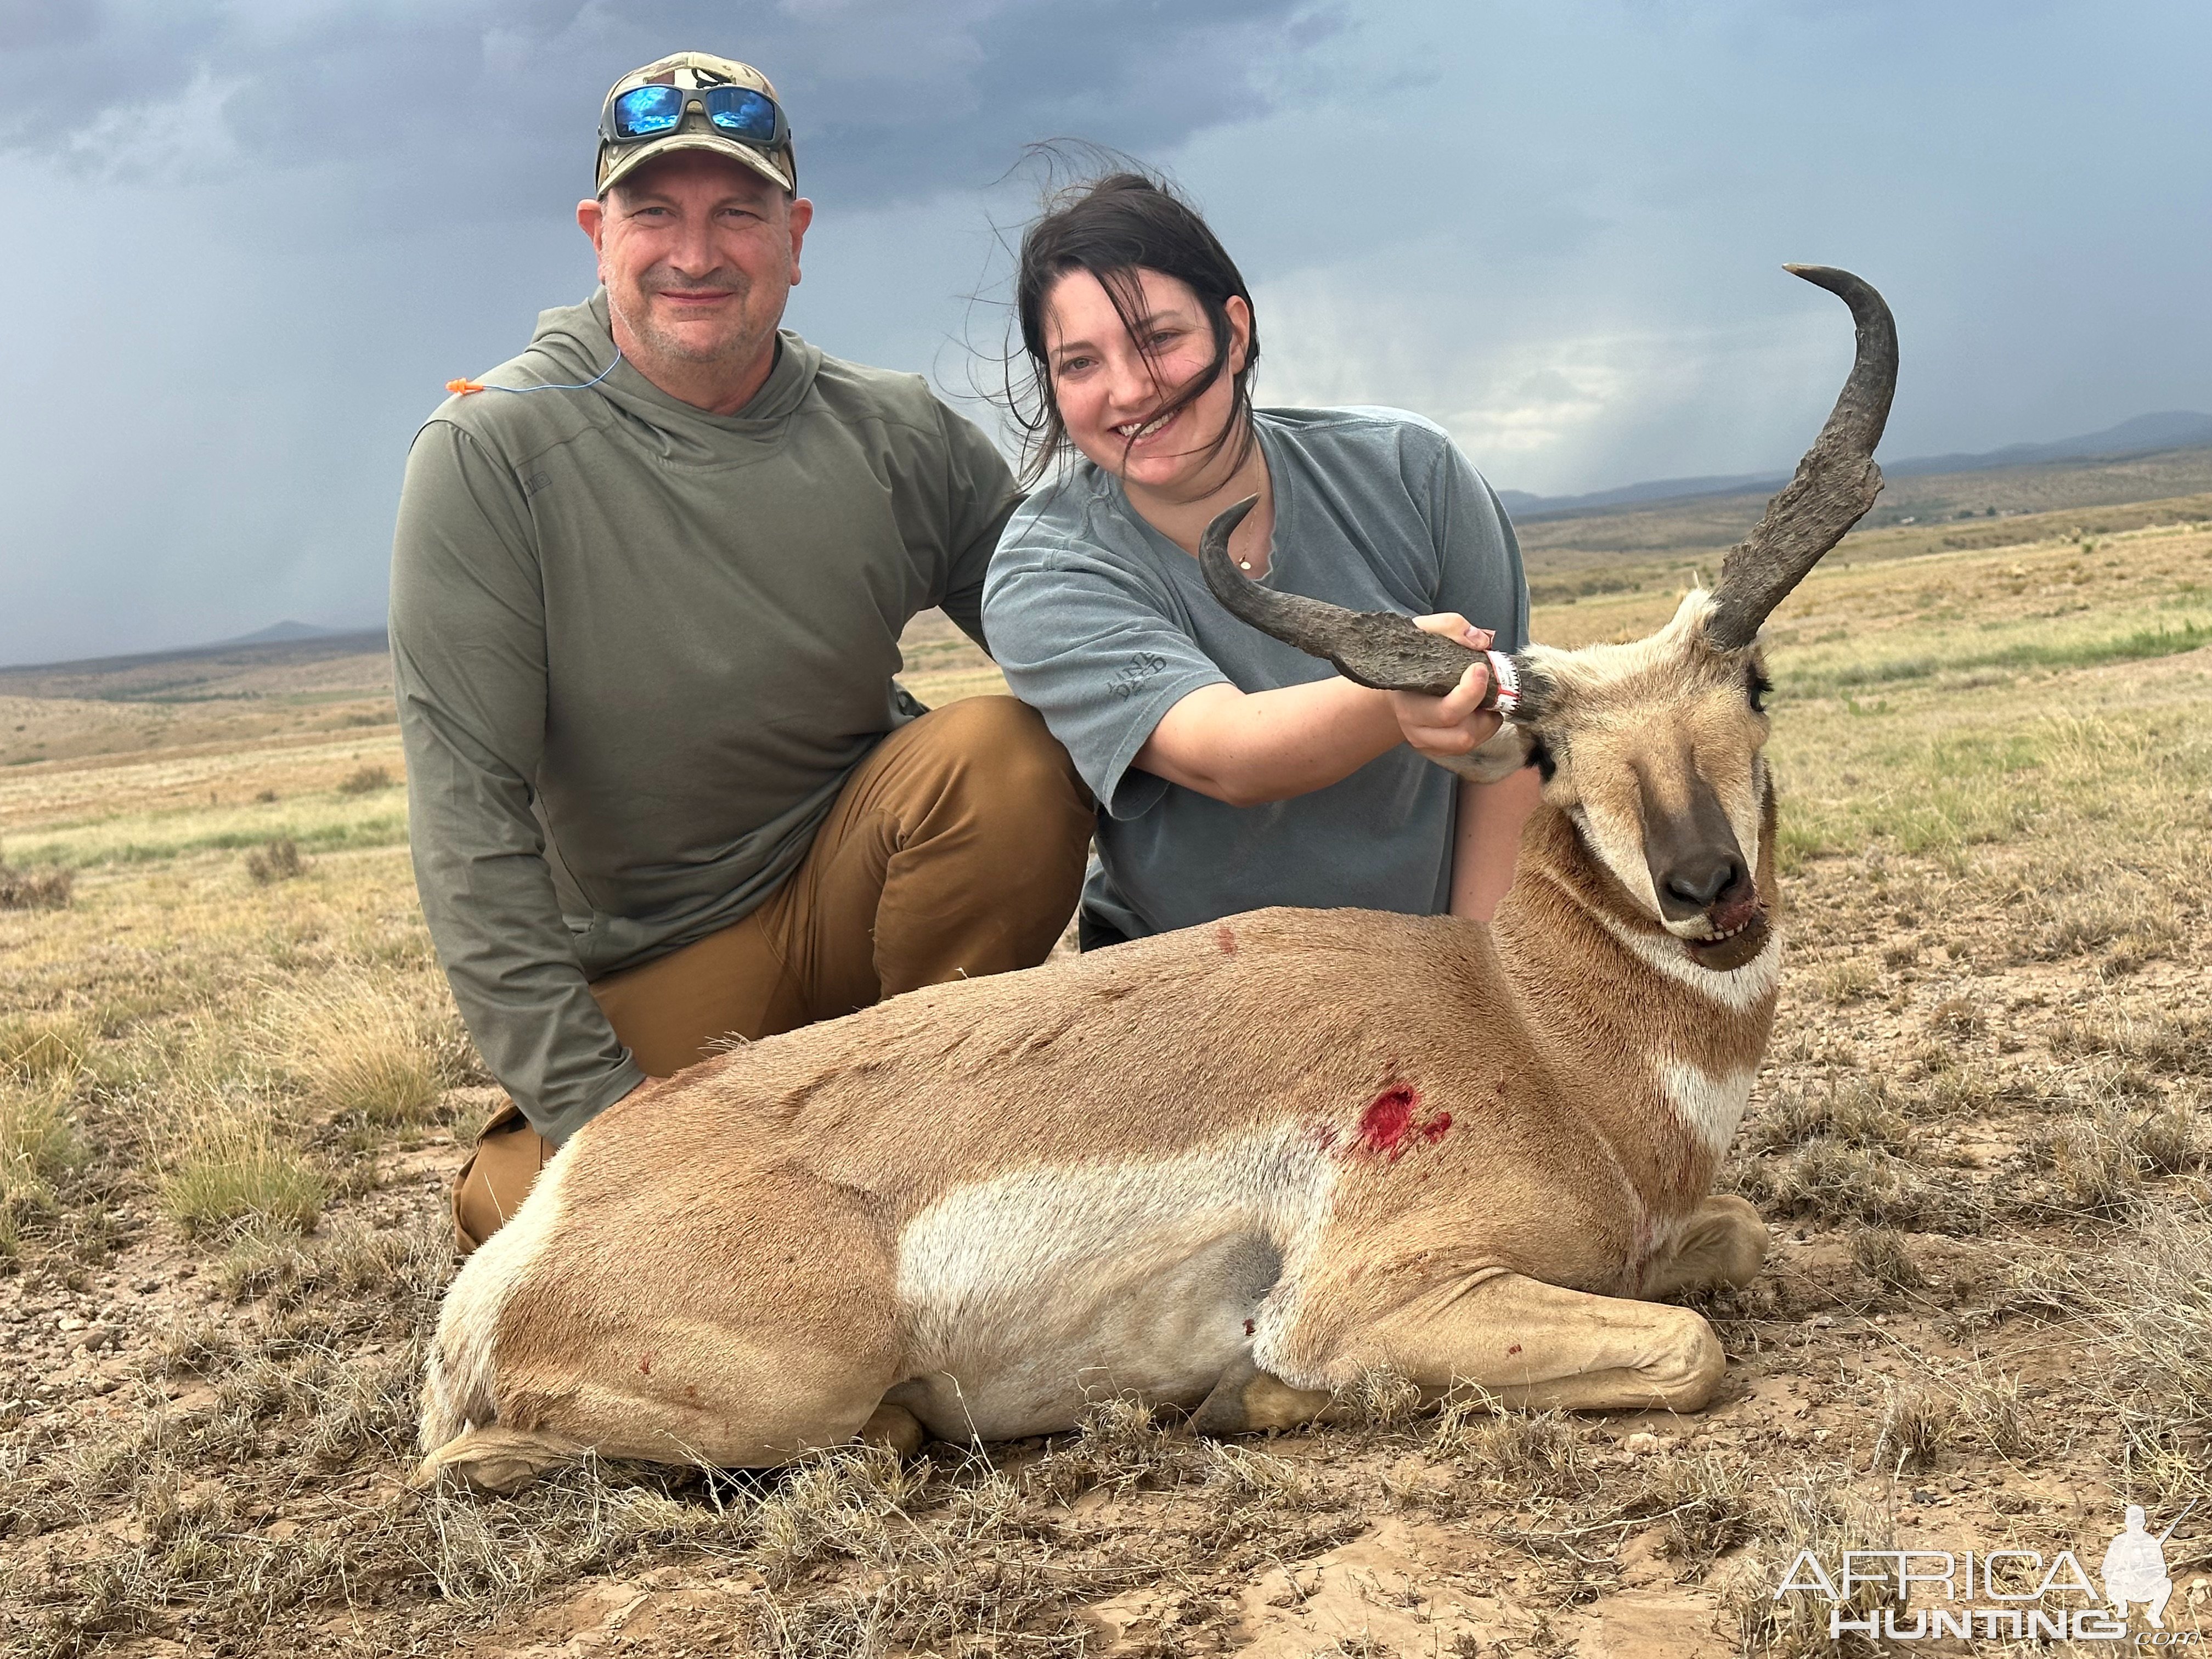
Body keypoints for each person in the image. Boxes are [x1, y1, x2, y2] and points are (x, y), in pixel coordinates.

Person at [390, 52, 1092, 1252]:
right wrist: (614, 1131)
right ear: (595, 235)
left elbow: (1090, 641)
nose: (696, 254)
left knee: (1010, 756)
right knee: (526, 1222)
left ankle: (928, 1159)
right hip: (666, 966)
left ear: (797, 233)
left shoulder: (895, 431)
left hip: (858, 911)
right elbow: (472, 834)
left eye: (737, 213)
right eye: (654, 212)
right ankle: (775, 1165)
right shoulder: (490, 454)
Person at [982, 173, 1538, 948]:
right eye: (1079, 363)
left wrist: (1479, 980)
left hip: (1433, 966)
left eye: (1160, 338)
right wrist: (1400, 684)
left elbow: (1516, 746)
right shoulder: (1044, 571)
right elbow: (1230, 755)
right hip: (1195, 991)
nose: (1130, 389)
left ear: (1233, 332)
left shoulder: (1415, 473)